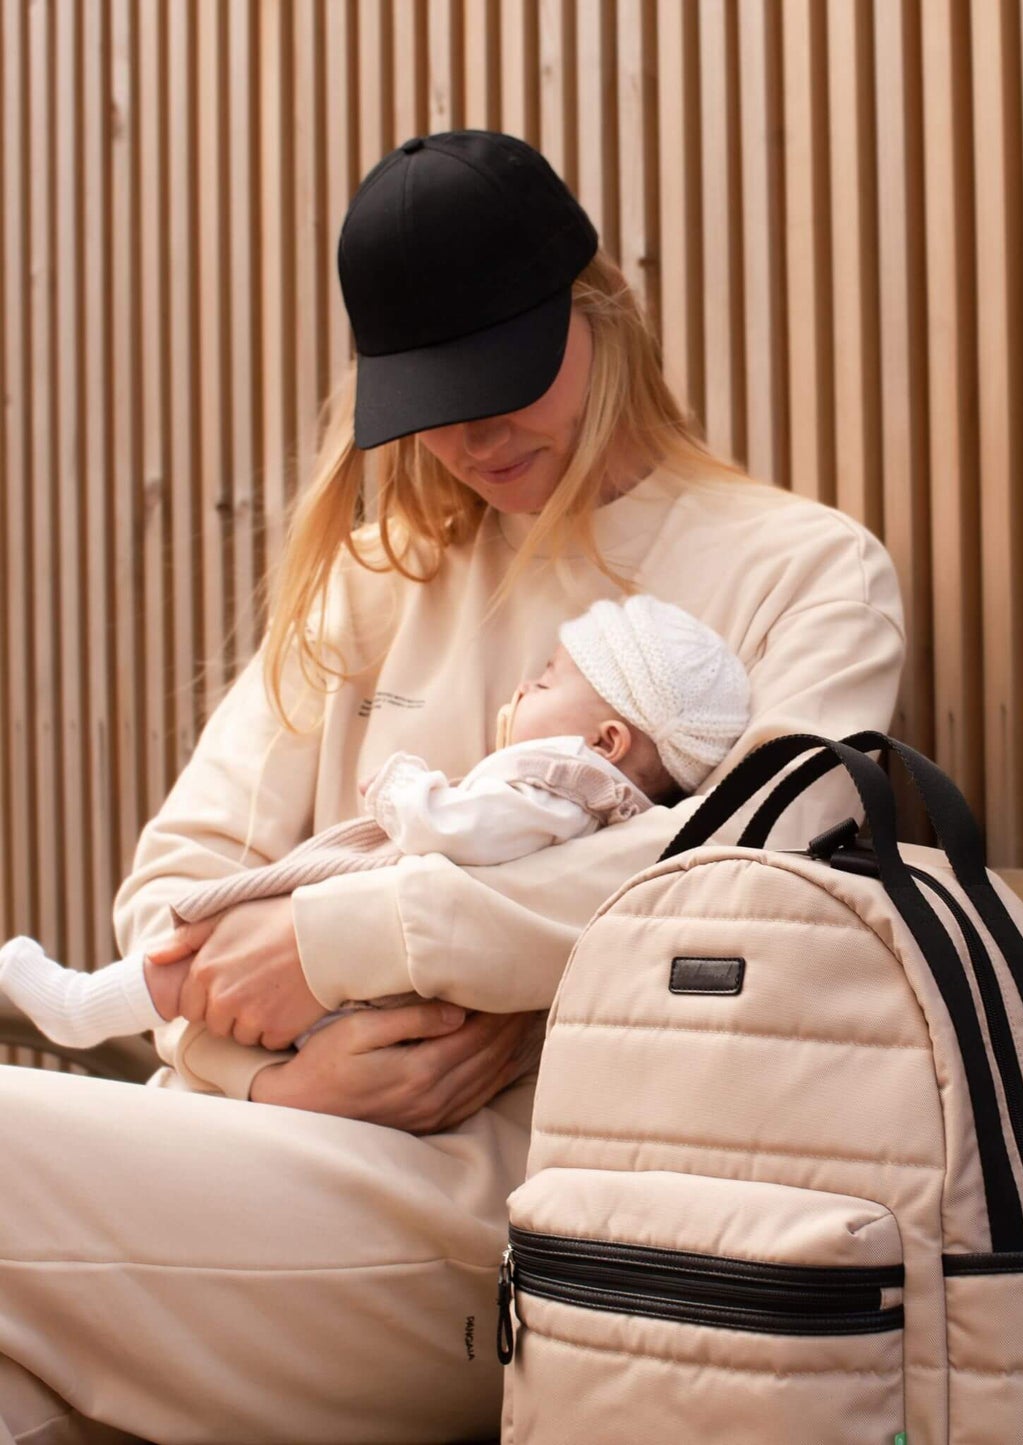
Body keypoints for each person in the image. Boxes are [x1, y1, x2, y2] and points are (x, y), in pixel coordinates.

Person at [0, 130, 904, 1445]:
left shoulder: (802, 574)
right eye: (431, 400)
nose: (469, 438)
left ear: (602, 316)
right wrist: (265, 1078)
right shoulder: (378, 575)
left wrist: (345, 937)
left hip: (521, 1240)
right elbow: (172, 890)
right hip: (244, 1160)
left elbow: (743, 878)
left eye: (502, 381)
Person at [0, 595, 750, 1053]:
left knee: (216, 944)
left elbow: (461, 829)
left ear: (607, 741)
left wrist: (401, 789)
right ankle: (87, 1002)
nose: (525, 683)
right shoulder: (585, 802)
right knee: (222, 940)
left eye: (548, 680)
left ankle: (83, 1006)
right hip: (384, 957)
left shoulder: (555, 787)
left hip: (375, 950)